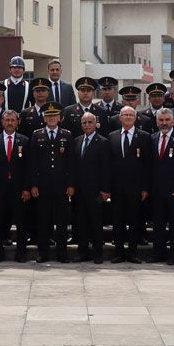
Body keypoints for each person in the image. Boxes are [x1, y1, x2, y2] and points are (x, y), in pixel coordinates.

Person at [29, 102, 73, 262]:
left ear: (60, 118)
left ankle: (62, 253)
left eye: (54, 116)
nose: (52, 118)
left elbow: (70, 162)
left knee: (61, 221)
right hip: (43, 186)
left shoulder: (66, 135)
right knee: (43, 220)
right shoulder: (37, 135)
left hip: (61, 185)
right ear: (44, 118)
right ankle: (43, 253)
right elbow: (33, 163)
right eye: (48, 116)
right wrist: (33, 184)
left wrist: (70, 184)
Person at [0, 109, 30, 262]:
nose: (10, 123)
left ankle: (21, 253)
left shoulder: (24, 141)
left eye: (12, 120)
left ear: (17, 122)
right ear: (2, 122)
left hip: (19, 190)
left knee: (22, 222)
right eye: (7, 120)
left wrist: (26, 188)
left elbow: (28, 168)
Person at [108, 105, 150, 263]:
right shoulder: (111, 136)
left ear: (136, 118)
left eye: (130, 115)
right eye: (124, 115)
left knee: (134, 221)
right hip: (117, 188)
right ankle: (118, 253)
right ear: (119, 118)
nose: (127, 117)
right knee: (117, 221)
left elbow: (147, 165)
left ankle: (132, 253)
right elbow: (108, 164)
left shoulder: (144, 136)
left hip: (136, 188)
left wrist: (145, 187)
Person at [148, 108, 174, 265]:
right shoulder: (152, 139)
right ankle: (158, 253)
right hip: (157, 191)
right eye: (161, 120)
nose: (164, 123)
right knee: (158, 224)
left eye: (167, 120)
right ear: (157, 121)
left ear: (172, 121)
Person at [71, 112, 111, 264]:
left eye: (90, 122)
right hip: (79, 191)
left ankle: (98, 253)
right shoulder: (77, 141)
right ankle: (83, 252)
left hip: (96, 191)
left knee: (95, 223)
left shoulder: (103, 142)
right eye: (84, 122)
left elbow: (106, 169)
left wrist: (105, 190)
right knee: (81, 223)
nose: (87, 125)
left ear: (96, 124)